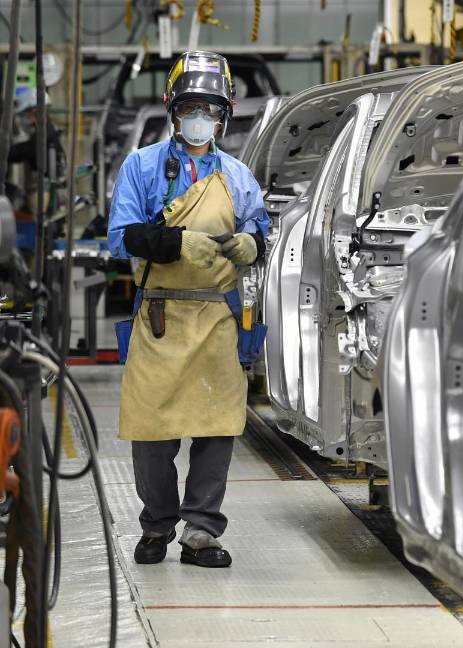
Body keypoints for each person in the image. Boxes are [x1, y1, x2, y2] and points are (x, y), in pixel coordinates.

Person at [107, 51, 269, 568]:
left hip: (217, 319)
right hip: (160, 318)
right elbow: (121, 237)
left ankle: (200, 532)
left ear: (226, 114)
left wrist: (253, 243)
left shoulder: (239, 176)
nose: (202, 118)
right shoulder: (143, 166)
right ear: (172, 109)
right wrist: (174, 244)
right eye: (192, 107)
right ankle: (156, 524)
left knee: (217, 428)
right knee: (152, 432)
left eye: (212, 109)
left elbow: (262, 231)